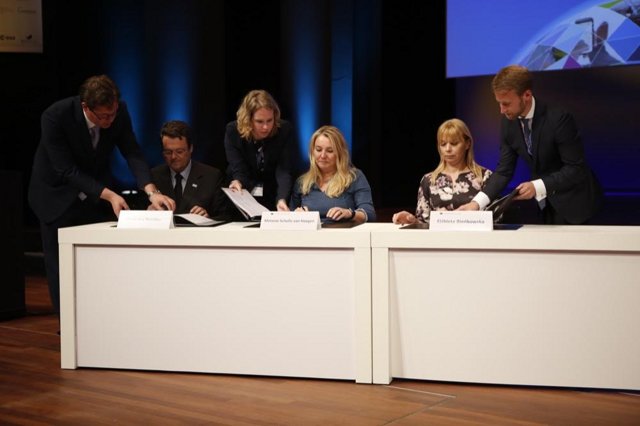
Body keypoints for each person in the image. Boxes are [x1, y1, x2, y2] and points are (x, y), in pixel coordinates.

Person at [28, 75, 174, 313]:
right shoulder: (55, 116)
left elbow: (132, 151)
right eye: (104, 116)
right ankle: (67, 329)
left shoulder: (119, 110)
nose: (109, 120)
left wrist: (151, 191)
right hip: (55, 196)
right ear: (86, 107)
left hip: (94, 197)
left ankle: (98, 323)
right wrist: (110, 195)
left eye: (113, 114)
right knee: (61, 269)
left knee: (99, 265)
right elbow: (66, 170)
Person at [458, 65, 603, 224]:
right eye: (499, 103)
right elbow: (504, 171)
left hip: (577, 203)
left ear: (526, 95)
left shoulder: (558, 119)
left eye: (506, 103)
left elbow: (576, 168)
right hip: (545, 206)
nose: (501, 110)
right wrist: (476, 203)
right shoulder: (509, 122)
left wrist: (536, 186)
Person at [392, 118, 492, 225]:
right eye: (443, 144)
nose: (448, 149)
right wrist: (410, 220)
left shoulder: (484, 176)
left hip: (475, 239)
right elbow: (423, 223)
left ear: (467, 144)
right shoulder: (429, 180)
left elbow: (495, 217)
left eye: (454, 143)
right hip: (438, 241)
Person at [224, 89, 294, 212]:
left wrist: (282, 199)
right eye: (259, 121)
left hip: (273, 192)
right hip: (243, 195)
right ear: (248, 119)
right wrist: (238, 182)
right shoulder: (233, 131)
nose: (266, 127)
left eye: (270, 120)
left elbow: (283, 170)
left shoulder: (284, 130)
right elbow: (239, 168)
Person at [289, 125, 376, 223]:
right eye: (318, 149)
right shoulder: (302, 182)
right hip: (310, 236)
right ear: (312, 151)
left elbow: (369, 214)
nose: (323, 155)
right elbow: (291, 217)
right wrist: (296, 215)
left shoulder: (355, 177)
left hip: (343, 235)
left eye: (330, 151)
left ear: (340, 153)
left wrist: (350, 214)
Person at [150, 120, 226, 218]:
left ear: (191, 148)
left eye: (179, 151)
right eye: (168, 152)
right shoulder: (153, 177)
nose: (173, 157)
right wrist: (148, 212)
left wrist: (206, 218)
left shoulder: (211, 176)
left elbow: (224, 217)